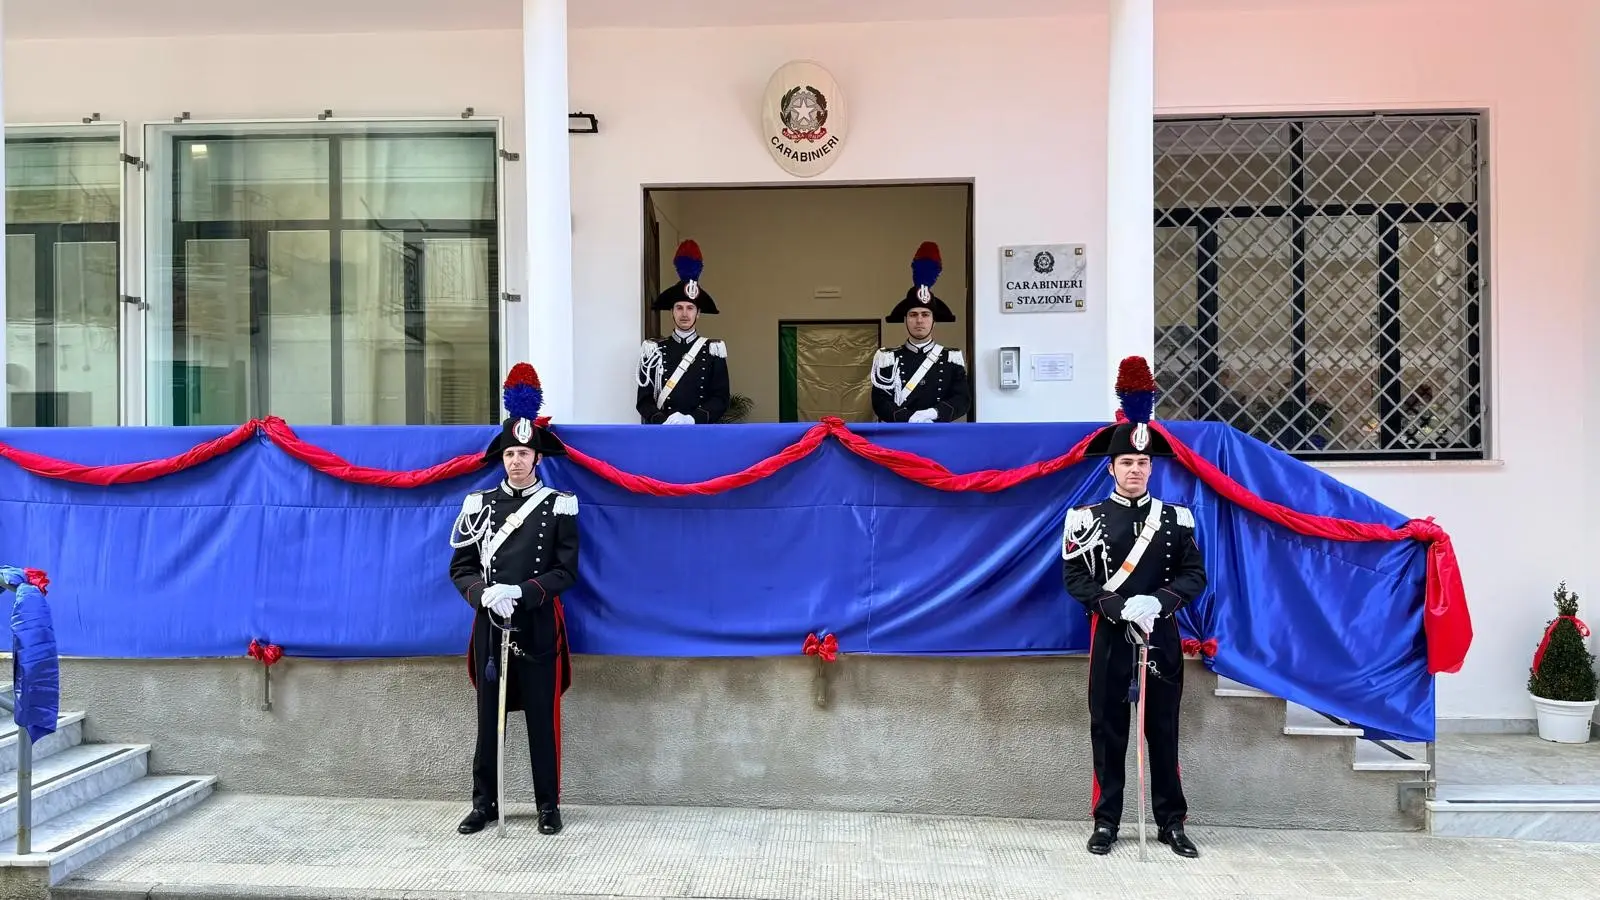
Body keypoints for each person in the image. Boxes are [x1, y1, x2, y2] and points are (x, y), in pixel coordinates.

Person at [1061, 355, 1207, 859]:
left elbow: (1194, 575)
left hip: (1160, 634)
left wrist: (1159, 602)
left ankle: (1171, 822)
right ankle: (1106, 823)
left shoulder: (1177, 518)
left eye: (1143, 463)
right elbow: (1074, 577)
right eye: (1127, 462)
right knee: (1108, 730)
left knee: (1162, 730)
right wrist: (1117, 606)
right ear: (1112, 467)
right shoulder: (1084, 518)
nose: (1136, 470)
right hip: (1111, 634)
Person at [449, 362, 580, 837]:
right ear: (502, 457)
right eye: (510, 454)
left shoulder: (559, 505)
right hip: (491, 625)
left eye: (524, 453)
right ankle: (484, 802)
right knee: (490, 721)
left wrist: (521, 592)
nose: (517, 461)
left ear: (537, 458)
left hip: (538, 623)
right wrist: (485, 594)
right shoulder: (477, 506)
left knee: (542, 722)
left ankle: (548, 805)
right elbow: (460, 568)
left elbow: (566, 570)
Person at [870, 241, 971, 423]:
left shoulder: (951, 358)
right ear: (905, 319)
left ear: (934, 320)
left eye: (925, 314)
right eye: (913, 315)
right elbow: (880, 401)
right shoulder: (887, 358)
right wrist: (907, 417)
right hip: (900, 434)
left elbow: (962, 399)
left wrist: (933, 413)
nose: (919, 320)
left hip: (939, 434)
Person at [638, 239, 731, 424]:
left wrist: (693, 419)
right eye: (679, 308)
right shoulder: (653, 350)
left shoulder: (713, 350)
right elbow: (644, 399)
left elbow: (721, 398)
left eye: (690, 308)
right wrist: (661, 420)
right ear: (672, 312)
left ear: (698, 313)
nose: (684, 314)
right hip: (663, 432)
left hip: (700, 431)